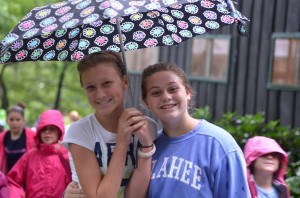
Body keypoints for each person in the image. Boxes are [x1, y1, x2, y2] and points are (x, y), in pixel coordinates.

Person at [140, 62, 251, 197]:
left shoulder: (219, 144)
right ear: (146, 102)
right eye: (156, 92)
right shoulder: (148, 149)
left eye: (173, 89)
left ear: (187, 92)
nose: (166, 97)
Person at [62, 51, 157, 198]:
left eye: (107, 83)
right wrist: (122, 142)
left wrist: (146, 146)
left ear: (125, 82)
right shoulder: (80, 132)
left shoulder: (147, 127)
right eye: (91, 87)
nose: (100, 94)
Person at [7, 109, 72, 198]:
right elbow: (13, 180)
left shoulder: (67, 157)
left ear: (59, 131)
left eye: (52, 129)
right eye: (44, 129)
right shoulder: (30, 156)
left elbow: (77, 184)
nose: (47, 132)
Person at [0, 104, 36, 175]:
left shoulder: (32, 136)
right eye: (11, 119)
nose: (14, 123)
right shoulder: (2, 137)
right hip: (8, 178)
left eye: (18, 120)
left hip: (27, 177)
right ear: (7, 121)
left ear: (23, 121)